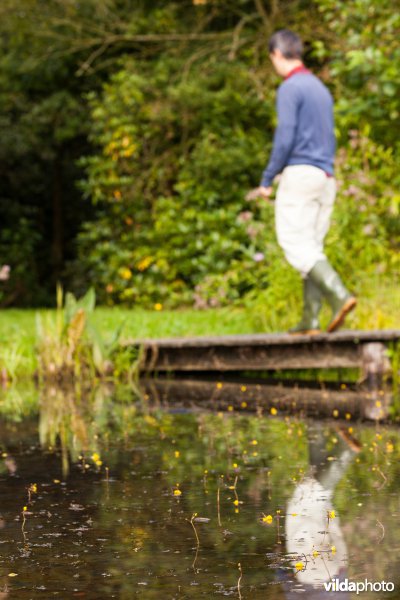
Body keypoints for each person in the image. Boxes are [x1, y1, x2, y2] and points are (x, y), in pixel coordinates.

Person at [246, 30, 356, 334]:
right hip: (325, 177)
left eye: (272, 60)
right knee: (312, 247)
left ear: (277, 55)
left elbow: (285, 136)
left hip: (301, 173)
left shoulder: (291, 87)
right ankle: (311, 319)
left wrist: (268, 178)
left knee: (294, 243)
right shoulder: (320, 88)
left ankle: (340, 294)